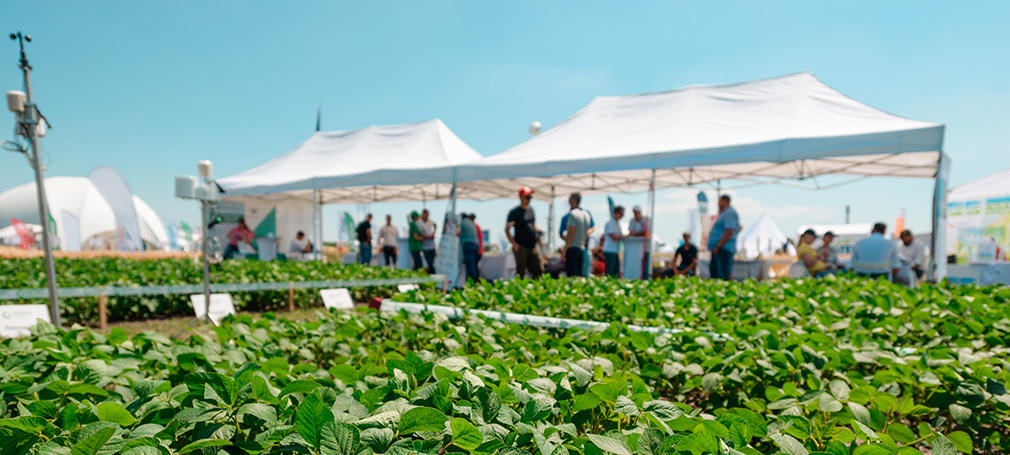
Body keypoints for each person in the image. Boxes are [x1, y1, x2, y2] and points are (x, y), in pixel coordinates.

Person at [506, 186, 543, 279]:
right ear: (521, 197)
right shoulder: (514, 212)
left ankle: (537, 289)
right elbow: (507, 229)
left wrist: (538, 232)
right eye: (527, 197)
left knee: (538, 269)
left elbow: (533, 223)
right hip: (521, 246)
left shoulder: (531, 210)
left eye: (530, 197)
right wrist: (514, 244)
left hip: (533, 245)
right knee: (521, 272)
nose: (529, 199)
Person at [561, 192, 593, 278]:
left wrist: (565, 249)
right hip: (582, 248)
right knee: (580, 276)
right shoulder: (586, 214)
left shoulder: (572, 214)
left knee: (572, 277)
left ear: (573, 201)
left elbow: (571, 233)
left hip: (572, 248)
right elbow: (589, 230)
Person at [707, 195, 739, 280]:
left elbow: (729, 231)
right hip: (720, 249)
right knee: (716, 274)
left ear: (725, 201)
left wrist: (718, 246)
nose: (718, 203)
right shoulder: (724, 213)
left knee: (722, 275)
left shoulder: (729, 213)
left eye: (720, 201)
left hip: (723, 249)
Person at [602, 206, 625, 276]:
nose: (621, 216)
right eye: (621, 214)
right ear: (615, 213)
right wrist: (626, 236)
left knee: (616, 272)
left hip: (615, 251)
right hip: (609, 250)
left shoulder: (617, 224)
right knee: (610, 272)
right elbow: (613, 237)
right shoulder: (610, 223)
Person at [459, 213, 481, 284]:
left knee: (470, 266)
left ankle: (474, 283)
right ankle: (471, 283)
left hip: (468, 245)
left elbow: (458, 232)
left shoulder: (463, 222)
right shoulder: (471, 223)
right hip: (476, 246)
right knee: (473, 266)